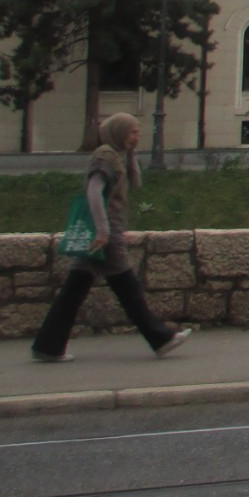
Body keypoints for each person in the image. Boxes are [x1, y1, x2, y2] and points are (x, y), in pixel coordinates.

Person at [31, 113, 191, 363]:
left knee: (74, 291)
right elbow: (94, 191)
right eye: (132, 132)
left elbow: (136, 184)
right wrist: (103, 231)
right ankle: (161, 339)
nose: (137, 136)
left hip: (103, 232)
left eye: (137, 132)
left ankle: (48, 346)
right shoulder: (105, 156)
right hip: (105, 234)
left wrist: (132, 154)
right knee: (128, 288)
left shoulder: (115, 155)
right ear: (118, 132)